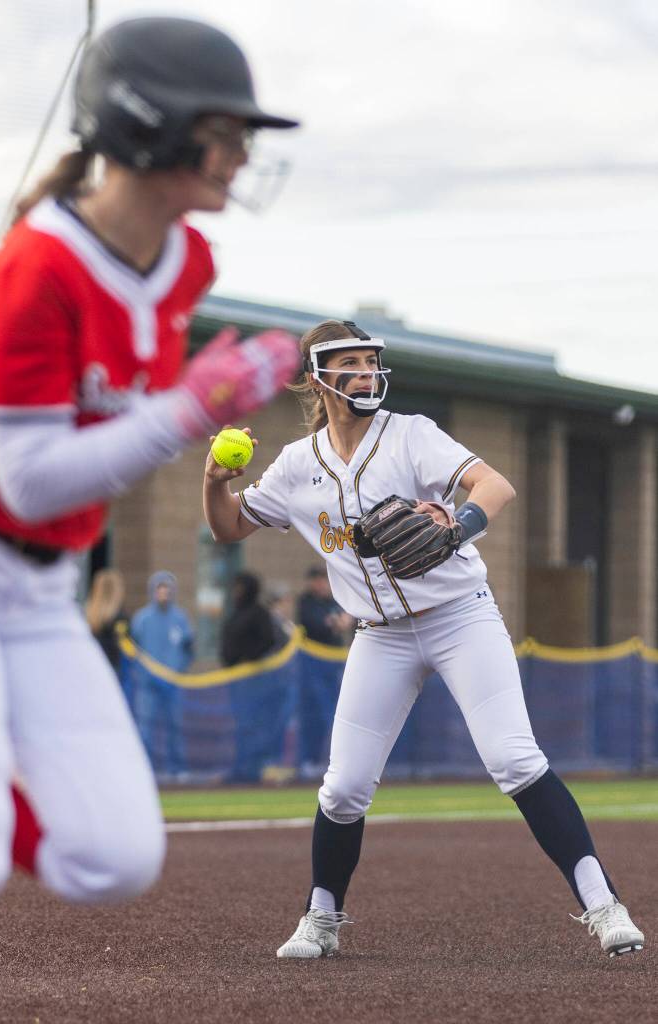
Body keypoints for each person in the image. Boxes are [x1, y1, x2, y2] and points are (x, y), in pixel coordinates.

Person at [0, 15, 299, 920]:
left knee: (111, 857)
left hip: (43, 588)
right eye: (222, 130)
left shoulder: (186, 259)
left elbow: (113, 444)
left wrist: (191, 405)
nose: (237, 153)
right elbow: (27, 480)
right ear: (144, 122)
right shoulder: (34, 268)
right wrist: (192, 407)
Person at [203, 319, 644, 961]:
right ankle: (320, 918)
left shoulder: (409, 434)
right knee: (344, 787)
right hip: (379, 636)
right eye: (348, 362)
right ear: (316, 378)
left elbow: (496, 486)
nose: (364, 371)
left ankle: (605, 907)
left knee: (514, 758)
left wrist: (458, 526)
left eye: (369, 360)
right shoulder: (300, 465)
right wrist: (214, 481)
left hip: (459, 614)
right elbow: (229, 530)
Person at [219, 572, 287, 782]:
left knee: (254, 725)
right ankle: (241, 767)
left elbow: (267, 641)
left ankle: (254, 769)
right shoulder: (236, 612)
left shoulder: (258, 613)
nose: (236, 592)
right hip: (236, 680)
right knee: (241, 725)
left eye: (240, 587)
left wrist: (248, 659)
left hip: (254, 681)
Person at [130, 572, 194, 780]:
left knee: (175, 726)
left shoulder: (180, 618)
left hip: (173, 684)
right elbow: (133, 650)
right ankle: (143, 769)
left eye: (167, 589)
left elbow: (188, 648)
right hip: (148, 685)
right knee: (145, 728)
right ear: (153, 591)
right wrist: (142, 675)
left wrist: (179, 671)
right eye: (160, 589)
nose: (163, 593)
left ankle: (178, 769)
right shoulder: (142, 619)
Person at [296, 566, 352, 778]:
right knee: (314, 716)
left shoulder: (333, 601)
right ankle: (308, 760)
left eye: (323, 580)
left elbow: (347, 620)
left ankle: (332, 762)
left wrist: (341, 621)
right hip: (311, 671)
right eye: (317, 580)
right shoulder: (306, 603)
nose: (321, 585)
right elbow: (320, 624)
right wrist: (336, 623)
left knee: (337, 716)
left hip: (333, 669)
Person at [85, 568, 129, 672]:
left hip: (91, 668)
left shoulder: (87, 618)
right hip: (113, 672)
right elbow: (126, 651)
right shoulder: (120, 618)